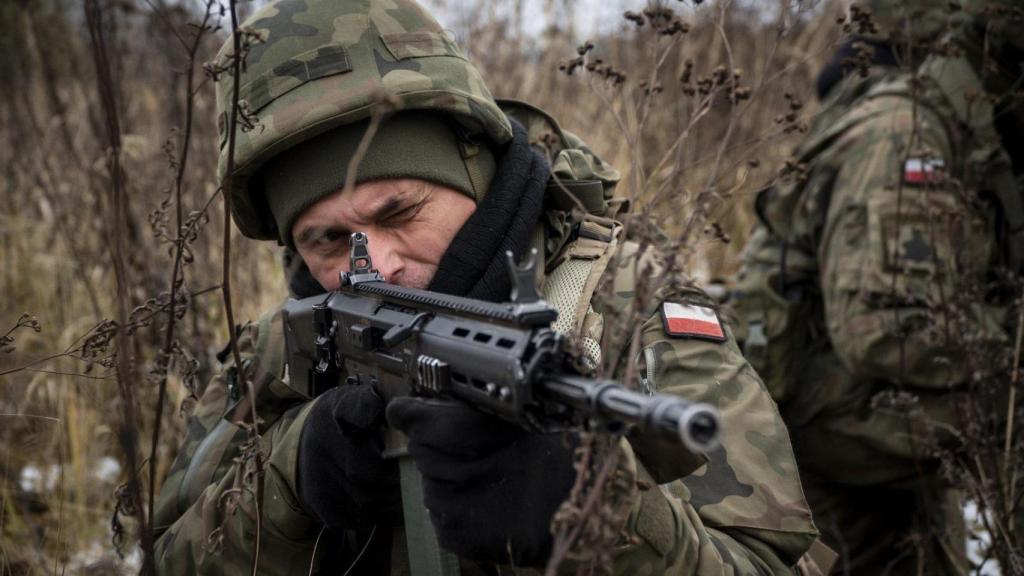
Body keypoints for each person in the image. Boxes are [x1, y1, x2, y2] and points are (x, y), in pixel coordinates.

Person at [152, 0, 829, 573]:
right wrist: (295, 477)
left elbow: (775, 563)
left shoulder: (631, 303)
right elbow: (163, 555)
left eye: (399, 213)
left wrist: (598, 516)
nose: (375, 263)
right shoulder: (280, 344)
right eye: (329, 239)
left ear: (475, 177)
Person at [731, 0, 1024, 573]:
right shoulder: (906, 132)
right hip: (815, 415)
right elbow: (885, 332)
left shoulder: (973, 129)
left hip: (865, 403)